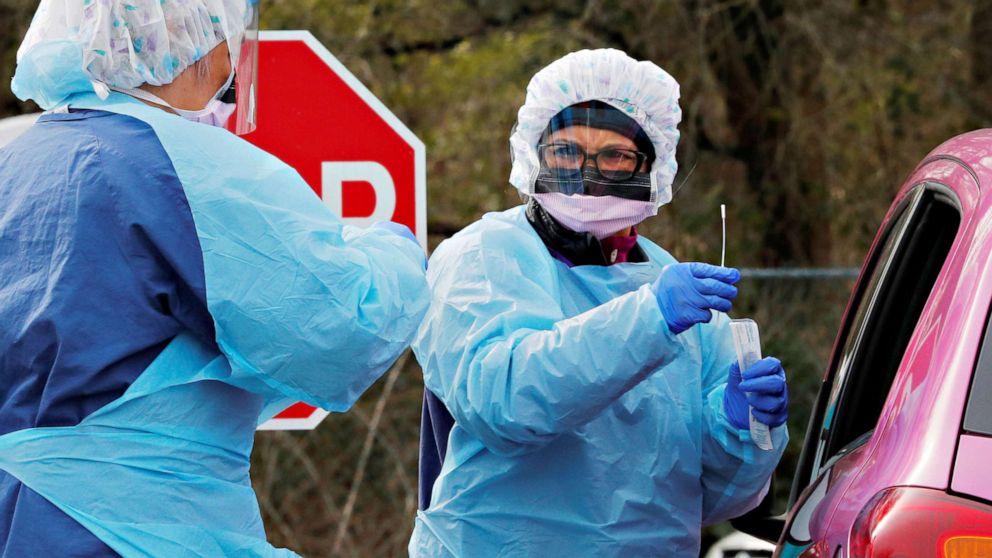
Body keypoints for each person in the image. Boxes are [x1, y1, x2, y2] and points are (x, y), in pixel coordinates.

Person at [0, 0, 429, 556]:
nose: (231, 57)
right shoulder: (179, 164)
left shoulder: (17, 162)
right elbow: (338, 328)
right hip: (133, 529)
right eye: (225, 34)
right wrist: (393, 249)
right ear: (185, 39)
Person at [413, 49, 789, 556]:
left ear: (654, 168)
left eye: (615, 156)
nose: (587, 172)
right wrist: (650, 318)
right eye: (566, 151)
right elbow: (505, 400)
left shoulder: (680, 293)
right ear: (533, 154)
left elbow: (712, 499)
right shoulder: (484, 256)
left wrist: (742, 431)